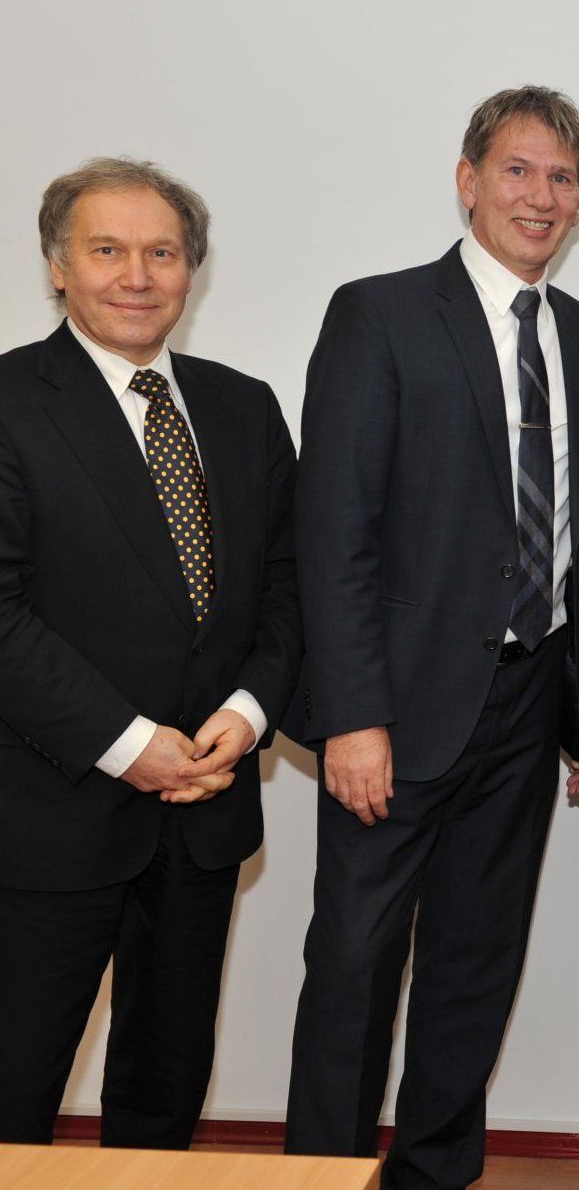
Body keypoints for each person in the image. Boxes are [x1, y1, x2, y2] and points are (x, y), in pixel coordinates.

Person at [285, 86, 579, 1190]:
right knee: (353, 964)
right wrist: (353, 716)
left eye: (562, 178)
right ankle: (322, 1174)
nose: (541, 196)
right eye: (518, 170)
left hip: (527, 704)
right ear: (468, 180)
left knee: (476, 962)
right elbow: (333, 534)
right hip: (396, 708)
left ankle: (434, 1172)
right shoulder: (379, 314)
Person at [0, 158, 301, 1147]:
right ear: (57, 267)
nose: (137, 274)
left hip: (204, 817)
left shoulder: (244, 407)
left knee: (163, 1097)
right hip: (50, 818)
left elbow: (289, 588)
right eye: (107, 249)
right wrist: (130, 743)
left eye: (162, 252)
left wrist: (248, 715)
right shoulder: (9, 402)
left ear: (192, 271)